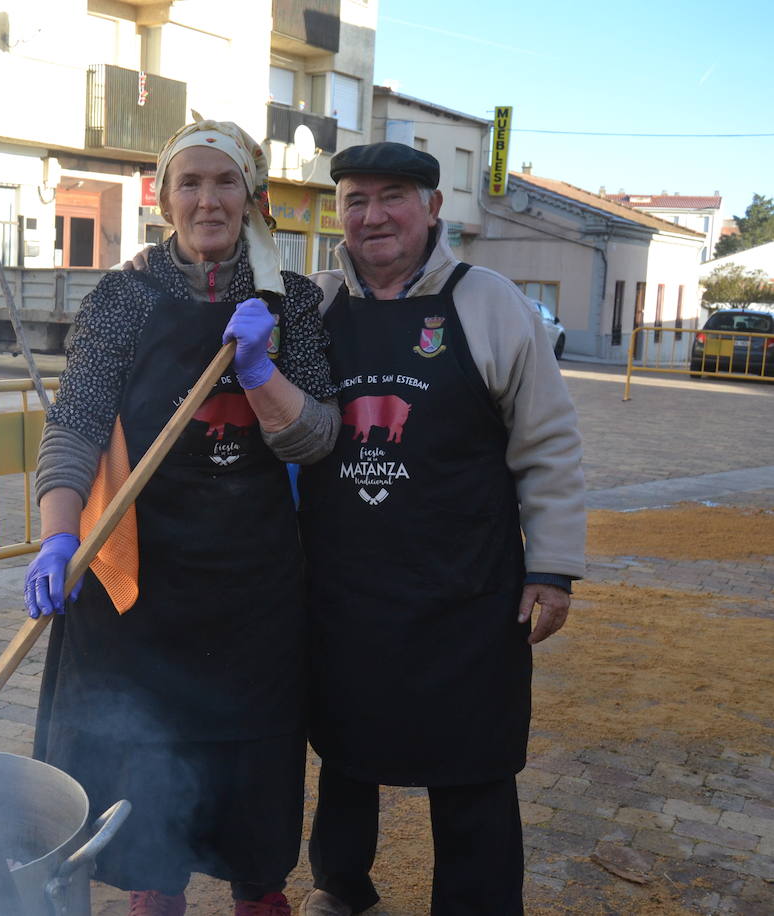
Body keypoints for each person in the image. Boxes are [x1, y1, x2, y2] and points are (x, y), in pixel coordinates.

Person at [26, 117, 342, 916]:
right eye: (190, 183)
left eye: (225, 181)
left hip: (254, 593)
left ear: (252, 195)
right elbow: (75, 429)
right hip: (140, 592)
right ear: (164, 197)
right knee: (145, 803)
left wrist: (261, 370)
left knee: (256, 791)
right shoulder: (124, 299)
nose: (208, 199)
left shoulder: (293, 301)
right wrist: (59, 537)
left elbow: (315, 440)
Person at [296, 143, 585, 916]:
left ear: (433, 209)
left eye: (394, 196)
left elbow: (548, 444)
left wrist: (551, 569)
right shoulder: (312, 305)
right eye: (355, 199)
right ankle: (340, 888)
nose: (372, 215)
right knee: (346, 756)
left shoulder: (488, 301)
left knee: (472, 766)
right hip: (345, 589)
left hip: (467, 593)